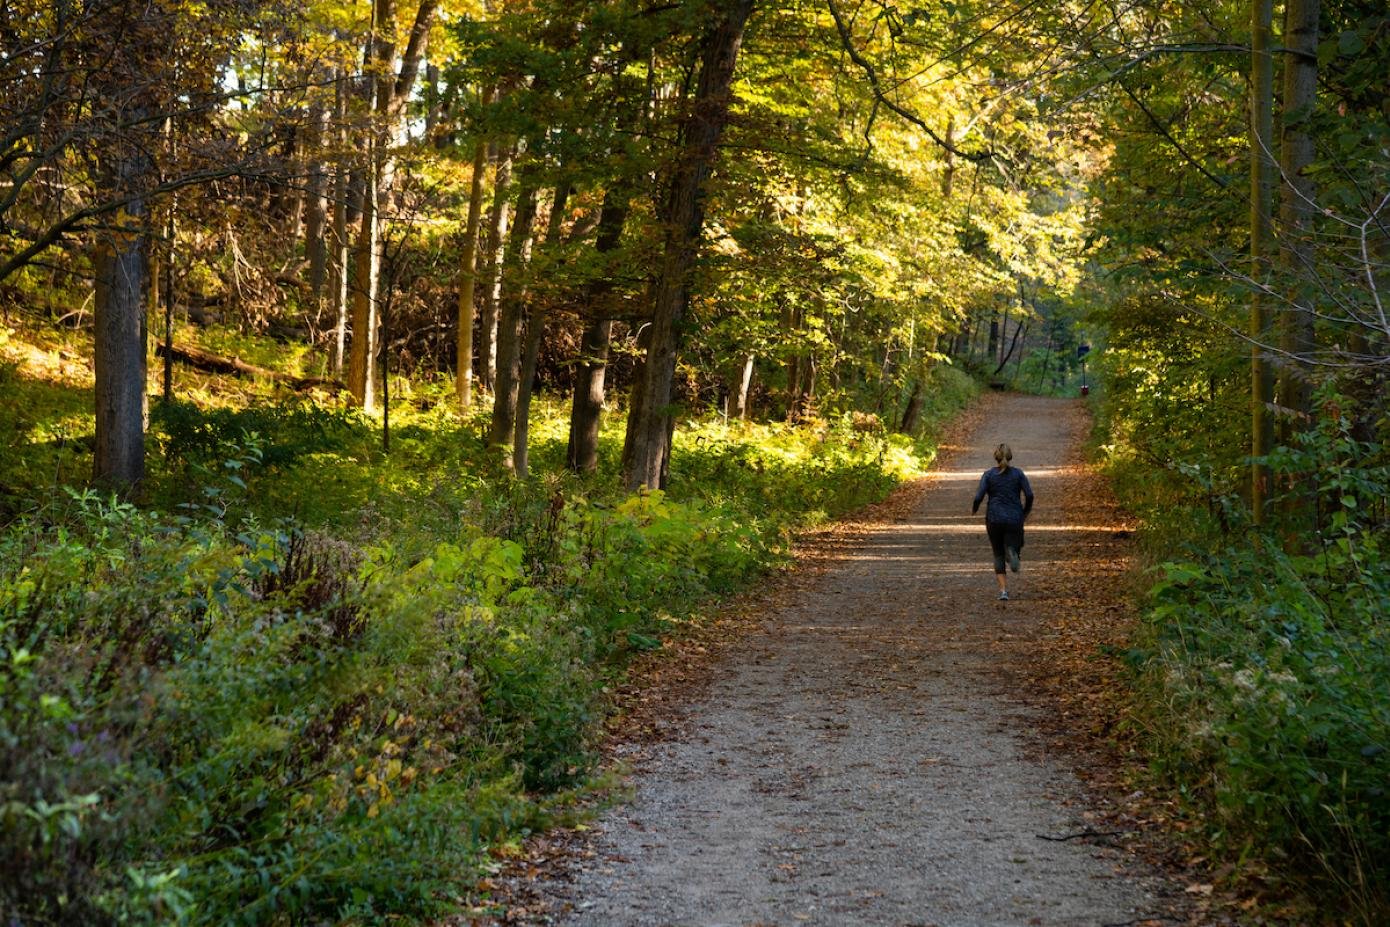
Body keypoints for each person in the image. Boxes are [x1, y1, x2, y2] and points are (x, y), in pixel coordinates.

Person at [971, 443, 1034, 601]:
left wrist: (975, 508)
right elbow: (1029, 494)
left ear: (996, 457)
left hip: (994, 518)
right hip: (1015, 517)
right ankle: (1013, 552)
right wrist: (1025, 510)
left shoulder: (988, 475)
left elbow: (978, 496)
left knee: (998, 553)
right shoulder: (1018, 474)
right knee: (1015, 543)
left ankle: (1004, 591)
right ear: (1010, 457)